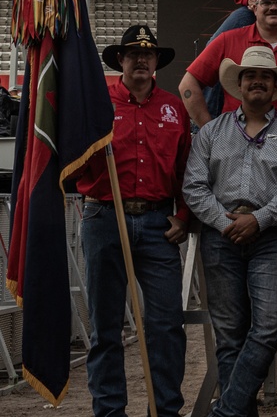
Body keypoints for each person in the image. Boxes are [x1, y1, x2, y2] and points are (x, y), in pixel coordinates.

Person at [183, 46, 277, 417]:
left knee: (269, 326)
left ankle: (225, 411)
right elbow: (194, 186)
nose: (257, 81)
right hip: (220, 236)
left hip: (272, 237)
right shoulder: (210, 132)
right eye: (250, 76)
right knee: (229, 334)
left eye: (265, 76)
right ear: (238, 85)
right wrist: (227, 222)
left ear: (275, 85)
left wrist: (259, 219)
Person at [76, 25, 191, 417]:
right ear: (120, 60)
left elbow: (186, 171)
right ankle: (109, 412)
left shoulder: (175, 108)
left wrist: (184, 216)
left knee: (166, 325)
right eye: (133, 53)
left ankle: (165, 410)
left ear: (157, 61)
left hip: (159, 224)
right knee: (105, 326)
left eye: (148, 54)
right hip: (105, 218)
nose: (141, 59)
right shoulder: (97, 105)